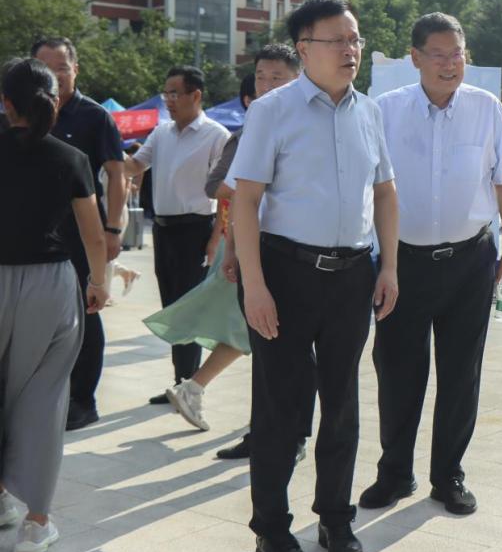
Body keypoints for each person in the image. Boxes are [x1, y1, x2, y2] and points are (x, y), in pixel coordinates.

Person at [229, 0, 399, 552]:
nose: (351, 50)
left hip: (352, 276)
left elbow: (385, 193)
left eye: (355, 39)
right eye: (338, 40)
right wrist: (255, 286)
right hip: (284, 274)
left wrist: (389, 267)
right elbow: (245, 201)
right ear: (305, 49)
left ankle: (336, 519)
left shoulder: (368, 112)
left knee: (342, 404)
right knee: (280, 405)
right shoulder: (272, 111)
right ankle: (271, 528)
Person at [359, 13, 502, 516]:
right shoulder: (386, 110)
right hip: (401, 263)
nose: (450, 65)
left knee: (460, 373)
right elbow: (370, 189)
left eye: (457, 54)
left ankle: (448, 475)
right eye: (438, 55)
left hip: (471, 261)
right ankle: (394, 472)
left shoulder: (487, 109)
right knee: (397, 371)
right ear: (415, 58)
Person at [147, 45, 302, 438]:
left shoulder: (308, 126)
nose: (267, 85)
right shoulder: (247, 134)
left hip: (294, 251)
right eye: (261, 78)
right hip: (259, 249)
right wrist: (230, 245)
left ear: (298, 79)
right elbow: (225, 190)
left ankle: (208, 394)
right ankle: (262, 424)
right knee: (257, 330)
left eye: (277, 78)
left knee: (258, 332)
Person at [0, 59, 110, 552]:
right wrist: (99, 282)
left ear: (6, 103)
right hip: (51, 286)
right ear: (55, 100)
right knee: (44, 398)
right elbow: (93, 234)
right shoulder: (71, 158)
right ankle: (36, 522)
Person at [32, 37, 125, 431]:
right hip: (34, 232)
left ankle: (83, 400)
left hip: (82, 232)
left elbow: (117, 175)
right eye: (46, 68)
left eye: (62, 68)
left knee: (85, 313)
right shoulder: (22, 114)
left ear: (76, 69)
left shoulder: (95, 117)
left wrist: (113, 229)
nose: (55, 76)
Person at [123, 66, 230, 403]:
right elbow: (135, 166)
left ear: (195, 95)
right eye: (166, 93)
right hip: (164, 230)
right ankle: (179, 382)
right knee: (172, 306)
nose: (168, 100)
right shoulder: (161, 133)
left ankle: (187, 385)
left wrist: (215, 239)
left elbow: (225, 194)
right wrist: (107, 153)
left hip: (196, 230)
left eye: (174, 93)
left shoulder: (216, 135)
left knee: (188, 309)